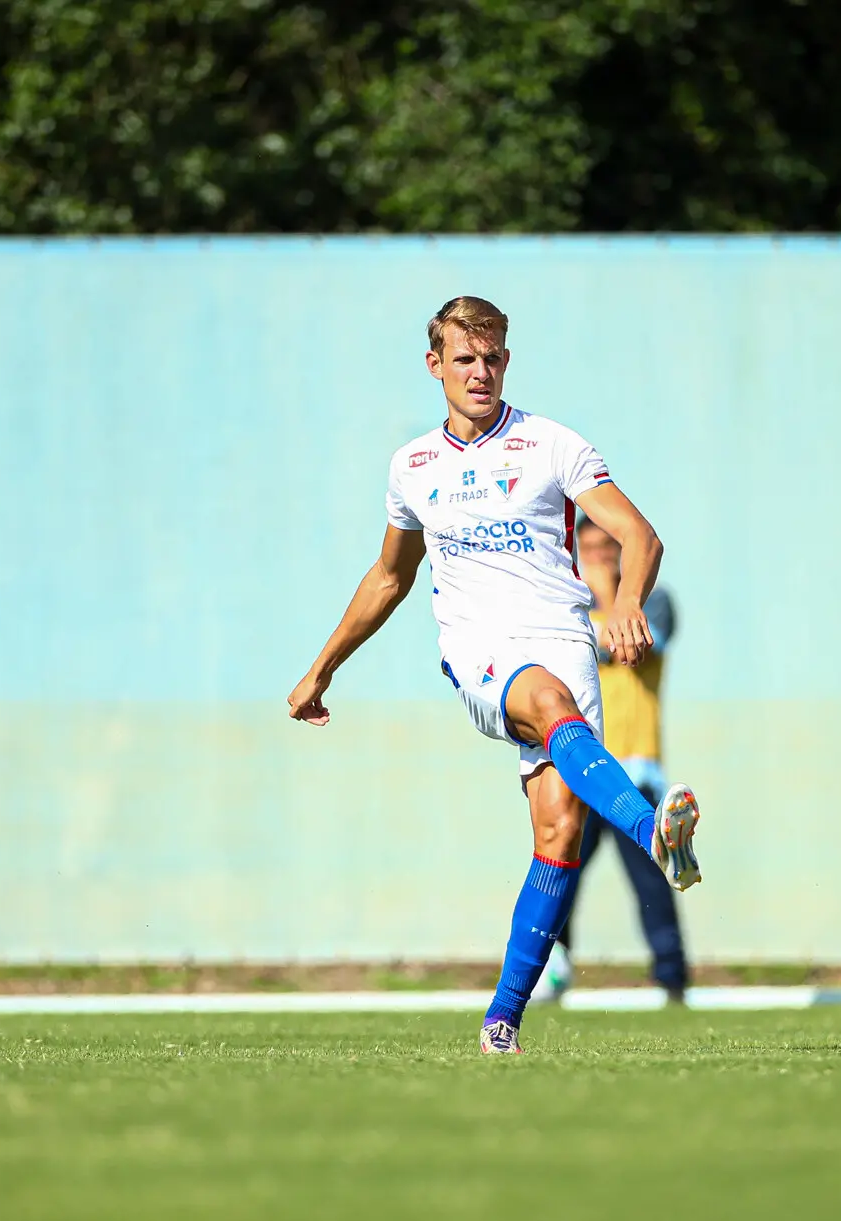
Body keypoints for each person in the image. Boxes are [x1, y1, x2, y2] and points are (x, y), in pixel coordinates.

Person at [288, 295, 702, 1055]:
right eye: (464, 358)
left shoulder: (551, 444)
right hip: (481, 647)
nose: (480, 372)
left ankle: (501, 1024)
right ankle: (652, 833)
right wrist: (321, 669)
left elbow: (639, 534)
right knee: (545, 702)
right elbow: (388, 578)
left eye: (492, 358)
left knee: (558, 832)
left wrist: (628, 601)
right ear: (435, 363)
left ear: (507, 360)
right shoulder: (412, 466)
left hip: (564, 640)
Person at [558, 516, 690, 1002]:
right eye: (586, 548)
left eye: (605, 548)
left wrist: (605, 596)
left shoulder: (653, 601)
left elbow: (627, 644)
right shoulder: (565, 605)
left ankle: (671, 979)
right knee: (558, 875)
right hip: (583, 768)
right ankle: (552, 971)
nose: (596, 557)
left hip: (636, 771)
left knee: (652, 881)